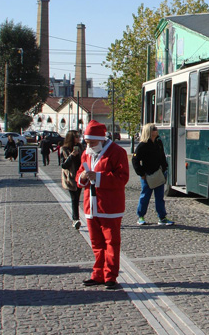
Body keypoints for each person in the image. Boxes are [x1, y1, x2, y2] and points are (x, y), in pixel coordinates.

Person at [76, 120, 129, 290]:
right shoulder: (87, 153)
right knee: (96, 242)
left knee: (111, 242)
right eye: (87, 142)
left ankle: (110, 276)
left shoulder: (117, 152)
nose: (88, 145)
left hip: (110, 206)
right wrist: (83, 177)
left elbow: (122, 178)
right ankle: (98, 274)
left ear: (101, 139)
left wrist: (97, 177)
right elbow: (79, 175)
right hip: (91, 206)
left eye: (91, 142)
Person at [131, 123, 174, 226]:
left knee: (160, 197)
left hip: (159, 174)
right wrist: (141, 173)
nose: (156, 130)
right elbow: (135, 160)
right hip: (147, 175)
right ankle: (141, 216)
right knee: (145, 196)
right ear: (149, 131)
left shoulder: (158, 142)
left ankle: (162, 217)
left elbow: (162, 156)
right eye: (154, 129)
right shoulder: (143, 145)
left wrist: (165, 167)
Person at [61, 130, 83, 229]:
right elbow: (64, 165)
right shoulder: (64, 149)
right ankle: (75, 219)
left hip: (80, 176)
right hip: (70, 177)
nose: (78, 138)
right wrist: (72, 155)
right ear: (71, 138)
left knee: (77, 198)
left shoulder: (81, 147)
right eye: (76, 136)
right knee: (74, 198)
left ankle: (77, 217)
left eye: (79, 136)